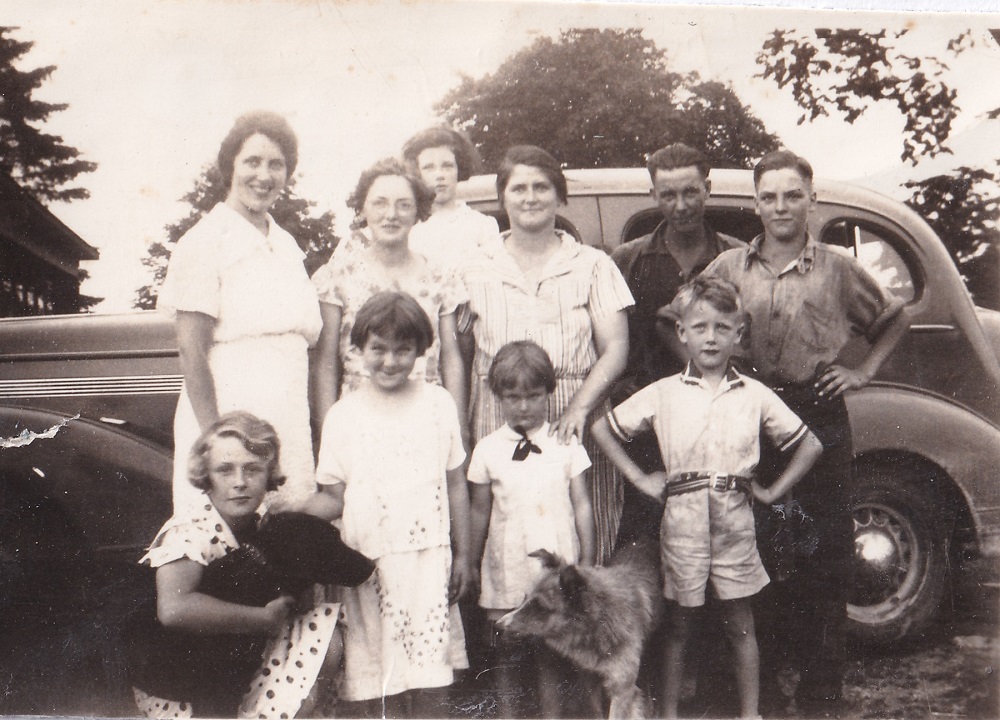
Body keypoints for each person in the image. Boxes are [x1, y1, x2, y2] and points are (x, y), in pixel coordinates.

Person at [703, 150, 911, 713]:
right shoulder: (728, 268)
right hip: (751, 414)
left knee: (826, 555)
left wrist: (861, 370)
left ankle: (822, 692)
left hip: (816, 411)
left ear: (811, 199)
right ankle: (765, 690)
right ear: (755, 204)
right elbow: (682, 318)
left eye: (792, 194)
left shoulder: (837, 268)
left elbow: (894, 317)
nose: (781, 207)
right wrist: (718, 369)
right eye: (769, 196)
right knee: (755, 553)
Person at [592, 276, 824, 719]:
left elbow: (809, 443)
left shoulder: (754, 395)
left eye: (722, 327)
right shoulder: (664, 393)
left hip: (735, 519)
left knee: (741, 624)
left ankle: (750, 713)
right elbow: (603, 428)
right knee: (679, 625)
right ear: (682, 333)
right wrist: (640, 478)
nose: (711, 337)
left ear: (739, 334)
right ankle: (671, 715)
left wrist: (773, 491)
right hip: (682, 520)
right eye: (700, 327)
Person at [463, 144, 634, 562]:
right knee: (505, 538)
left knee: (579, 536)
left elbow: (616, 348)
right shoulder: (472, 267)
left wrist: (578, 408)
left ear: (559, 196)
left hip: (573, 416)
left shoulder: (592, 265)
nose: (530, 197)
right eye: (518, 188)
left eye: (542, 187)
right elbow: (461, 352)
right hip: (497, 414)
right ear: (502, 197)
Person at [310, 291, 474, 717]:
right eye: (378, 349)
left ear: (422, 350)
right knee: (377, 683)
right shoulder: (344, 415)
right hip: (369, 568)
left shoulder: (438, 404)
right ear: (358, 348)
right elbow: (333, 497)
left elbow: (456, 483)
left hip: (426, 564)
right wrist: (284, 519)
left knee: (430, 679)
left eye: (403, 350)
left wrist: (465, 556)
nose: (390, 361)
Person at [158, 111, 322, 517]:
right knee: (225, 550)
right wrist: (219, 443)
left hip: (289, 424)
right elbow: (190, 351)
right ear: (230, 165)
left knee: (289, 540)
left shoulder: (286, 247)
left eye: (276, 164)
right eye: (252, 161)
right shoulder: (203, 243)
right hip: (229, 423)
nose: (263, 175)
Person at [129, 412, 344, 719]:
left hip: (233, 659)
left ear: (269, 475)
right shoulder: (190, 530)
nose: (240, 482)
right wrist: (261, 619)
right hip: (185, 683)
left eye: (253, 470)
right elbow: (174, 609)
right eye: (225, 471)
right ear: (207, 476)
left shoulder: (256, 523)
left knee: (325, 637)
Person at [610, 143, 746, 545]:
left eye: (690, 191)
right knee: (649, 540)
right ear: (653, 196)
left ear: (708, 188)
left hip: (720, 422)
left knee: (722, 540)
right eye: (668, 194)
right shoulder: (627, 261)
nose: (681, 205)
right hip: (649, 431)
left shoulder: (736, 256)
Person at [468, 340, 596, 718]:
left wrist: (587, 558)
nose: (523, 407)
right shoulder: (487, 449)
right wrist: (471, 562)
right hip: (506, 567)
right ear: (498, 398)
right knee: (506, 651)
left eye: (533, 396)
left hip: (555, 573)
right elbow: (478, 510)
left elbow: (583, 503)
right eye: (512, 397)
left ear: (549, 393)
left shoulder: (565, 444)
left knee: (551, 653)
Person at [310, 158, 468, 433]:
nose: (391, 214)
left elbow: (451, 358)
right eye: (379, 203)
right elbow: (325, 363)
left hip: (426, 420)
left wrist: (458, 429)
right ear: (362, 209)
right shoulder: (337, 276)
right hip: (359, 421)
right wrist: (327, 431)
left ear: (418, 210)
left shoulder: (441, 277)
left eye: (404, 204)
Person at [403, 126, 500, 273]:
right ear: (417, 173)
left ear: (459, 169)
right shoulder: (409, 229)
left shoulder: (482, 225)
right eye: (429, 167)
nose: (439, 175)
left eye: (447, 166)